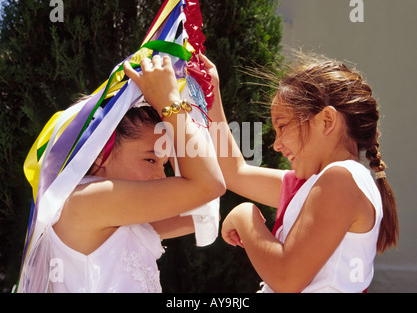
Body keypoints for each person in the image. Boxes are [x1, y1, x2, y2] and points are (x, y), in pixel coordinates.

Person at [201, 52, 398, 293]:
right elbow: (235, 173)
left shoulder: (341, 179)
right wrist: (209, 92)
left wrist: (245, 216)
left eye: (282, 126)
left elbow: (286, 279)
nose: (277, 144)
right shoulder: (317, 183)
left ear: (326, 120)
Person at [28, 55, 225, 293]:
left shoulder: (117, 214)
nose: (162, 176)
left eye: (165, 164)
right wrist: (170, 102)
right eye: (150, 159)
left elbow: (203, 212)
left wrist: (206, 99)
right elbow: (209, 186)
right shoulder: (85, 201)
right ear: (101, 154)